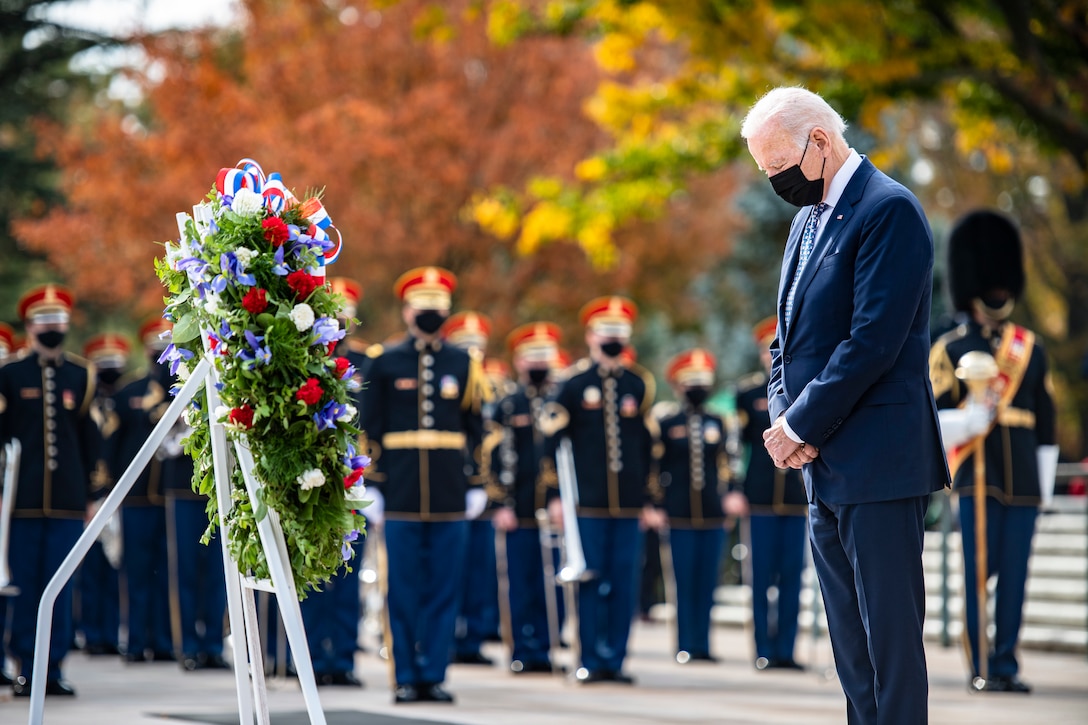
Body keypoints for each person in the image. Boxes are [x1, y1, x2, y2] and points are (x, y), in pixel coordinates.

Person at [740, 87, 948, 724]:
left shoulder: (888, 211)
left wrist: (800, 422)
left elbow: (873, 342)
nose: (776, 181)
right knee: (852, 655)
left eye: (779, 167)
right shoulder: (807, 221)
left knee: (890, 650)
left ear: (820, 142)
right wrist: (784, 422)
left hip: (879, 465)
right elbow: (786, 339)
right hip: (824, 466)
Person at [929, 210, 1058, 694]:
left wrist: (1043, 487)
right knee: (978, 574)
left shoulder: (1032, 349)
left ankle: (1006, 661)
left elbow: (1046, 423)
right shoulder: (949, 348)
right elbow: (933, 418)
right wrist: (969, 420)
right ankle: (981, 664)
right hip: (976, 472)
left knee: (1016, 577)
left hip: (1022, 473)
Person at [360, 266, 488, 704]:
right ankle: (404, 675)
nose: (430, 313)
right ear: (406, 310)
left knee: (443, 588)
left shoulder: (463, 363)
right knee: (402, 590)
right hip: (398, 493)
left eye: (438, 307)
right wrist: (372, 484)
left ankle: (433, 673)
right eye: (423, 306)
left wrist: (476, 482)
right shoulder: (384, 360)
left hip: (451, 495)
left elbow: (478, 430)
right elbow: (368, 428)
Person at [541, 295, 664, 684]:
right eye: (606, 332)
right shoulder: (574, 385)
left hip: (628, 504)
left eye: (619, 333)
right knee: (590, 579)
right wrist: (555, 497)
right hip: (587, 504)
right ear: (592, 336)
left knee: (625, 580)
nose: (613, 339)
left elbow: (649, 448)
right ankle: (590, 657)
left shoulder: (637, 383)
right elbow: (550, 443)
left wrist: (649, 499)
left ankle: (616, 658)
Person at [0, 284, 97, 697]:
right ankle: (24, 665)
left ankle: (54, 668)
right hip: (20, 502)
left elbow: (90, 441)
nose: (52, 326)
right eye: (44, 320)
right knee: (24, 585)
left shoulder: (81, 374)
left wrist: (92, 494)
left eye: (58, 320)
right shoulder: (9, 376)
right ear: (30, 325)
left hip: (67, 501)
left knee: (61, 587)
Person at [296, 276, 366, 686]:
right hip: (313, 473)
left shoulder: (368, 363)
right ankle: (308, 659)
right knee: (310, 568)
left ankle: (342, 658)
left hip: (353, 476)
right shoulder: (307, 358)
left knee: (347, 572)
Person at [729, 317, 808, 671]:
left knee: (792, 577)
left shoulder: (808, 388)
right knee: (760, 576)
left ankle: (786, 650)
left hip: (795, 500)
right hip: (759, 499)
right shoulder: (747, 395)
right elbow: (733, 450)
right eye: (768, 349)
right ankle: (763, 648)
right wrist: (734, 489)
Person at [490, 321, 564, 674]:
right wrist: (499, 503)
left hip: (553, 509)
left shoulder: (559, 401)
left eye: (544, 356)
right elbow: (495, 455)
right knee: (519, 583)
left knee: (552, 584)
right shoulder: (508, 404)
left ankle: (546, 650)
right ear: (519, 361)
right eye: (532, 357)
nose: (539, 363)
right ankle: (520, 648)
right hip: (517, 508)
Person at [654, 348, 730, 664]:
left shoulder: (718, 421)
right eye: (691, 380)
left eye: (702, 380)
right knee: (683, 582)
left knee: (707, 581)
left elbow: (727, 463)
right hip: (679, 512)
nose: (697, 386)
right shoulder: (667, 421)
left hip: (712, 512)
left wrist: (729, 496)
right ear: (678, 385)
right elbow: (656, 466)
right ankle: (686, 642)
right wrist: (656, 504)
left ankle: (704, 644)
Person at [109, 316, 176, 663]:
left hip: (169, 496)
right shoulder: (127, 393)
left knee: (166, 573)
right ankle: (135, 642)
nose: (159, 353)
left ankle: (165, 642)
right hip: (135, 496)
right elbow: (113, 445)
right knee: (136, 573)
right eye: (155, 346)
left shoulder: (182, 390)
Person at [442, 311, 501, 667]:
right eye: (467, 346)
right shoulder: (450, 379)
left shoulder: (496, 388)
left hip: (485, 494)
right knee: (450, 570)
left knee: (481, 571)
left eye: (478, 346)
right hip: (451, 487)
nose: (473, 353)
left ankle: (474, 638)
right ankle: (447, 638)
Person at [76, 333, 129, 658]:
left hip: (115, 492)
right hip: (89, 494)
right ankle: (91, 632)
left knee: (113, 569)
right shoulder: (87, 405)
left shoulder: (122, 402)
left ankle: (110, 633)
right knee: (90, 570)